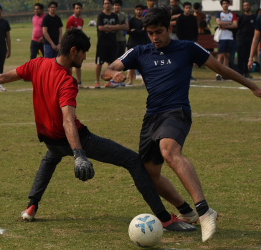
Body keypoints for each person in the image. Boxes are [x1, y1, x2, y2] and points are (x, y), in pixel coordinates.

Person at [0, 28, 196, 232]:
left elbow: (2, 77)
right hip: (72, 137)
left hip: (49, 138)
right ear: (73, 50)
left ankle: (31, 206)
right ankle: (164, 219)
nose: (84, 59)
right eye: (83, 54)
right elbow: (67, 121)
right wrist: (79, 153)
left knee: (50, 159)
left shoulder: (37, 64)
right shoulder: (67, 81)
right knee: (133, 161)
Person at [101, 6, 261, 242]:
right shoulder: (139, 51)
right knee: (149, 173)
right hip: (151, 117)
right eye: (151, 33)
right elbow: (109, 68)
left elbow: (221, 68)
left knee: (169, 150)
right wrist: (113, 75)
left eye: (159, 32)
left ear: (169, 29)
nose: (154, 37)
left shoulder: (187, 48)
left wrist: (253, 86)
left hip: (177, 112)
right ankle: (186, 211)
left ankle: (205, 211)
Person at [94, 0, 124, 88]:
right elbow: (100, 28)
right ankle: (97, 81)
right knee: (99, 63)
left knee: (111, 64)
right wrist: (111, 28)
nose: (107, 5)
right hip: (102, 43)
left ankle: (109, 82)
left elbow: (118, 27)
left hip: (112, 42)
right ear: (103, 5)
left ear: (111, 5)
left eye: (108, 3)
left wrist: (108, 27)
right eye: (105, 3)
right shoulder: (101, 15)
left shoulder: (114, 16)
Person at [66, 2, 88, 89]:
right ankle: (69, 82)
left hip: (79, 46)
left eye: (80, 8)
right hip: (72, 46)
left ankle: (79, 82)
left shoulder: (81, 20)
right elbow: (67, 33)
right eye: (77, 8)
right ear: (73, 9)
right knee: (70, 64)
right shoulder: (71, 19)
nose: (78, 10)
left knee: (78, 63)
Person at [215, 0, 237, 80]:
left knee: (227, 56)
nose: (225, 5)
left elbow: (235, 25)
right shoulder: (219, 14)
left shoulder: (232, 14)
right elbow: (218, 22)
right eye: (224, 3)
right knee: (220, 55)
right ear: (221, 5)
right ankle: (218, 73)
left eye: (226, 3)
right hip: (221, 37)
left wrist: (225, 26)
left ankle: (225, 73)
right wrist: (229, 23)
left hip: (229, 37)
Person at [176, 2, 198, 81]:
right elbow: (178, 31)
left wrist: (194, 40)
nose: (188, 9)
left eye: (189, 8)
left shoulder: (193, 18)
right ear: (183, 9)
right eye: (187, 8)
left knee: (190, 59)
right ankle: (182, 75)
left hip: (191, 41)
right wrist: (182, 41)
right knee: (183, 59)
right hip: (182, 42)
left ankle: (189, 75)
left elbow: (195, 30)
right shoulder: (180, 18)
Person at [126, 4, 147, 86]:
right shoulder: (131, 20)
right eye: (137, 9)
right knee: (131, 63)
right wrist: (138, 31)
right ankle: (130, 81)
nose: (139, 11)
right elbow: (127, 31)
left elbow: (144, 31)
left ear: (142, 11)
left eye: (140, 10)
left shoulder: (144, 20)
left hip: (142, 43)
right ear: (135, 10)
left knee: (143, 63)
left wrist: (134, 31)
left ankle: (144, 81)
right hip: (132, 43)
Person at [236, 1, 255, 78]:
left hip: (250, 39)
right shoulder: (241, 17)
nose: (246, 6)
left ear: (250, 6)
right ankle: (240, 73)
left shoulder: (254, 17)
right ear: (243, 7)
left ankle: (246, 72)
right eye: (245, 5)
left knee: (248, 56)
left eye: (247, 5)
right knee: (240, 56)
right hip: (241, 38)